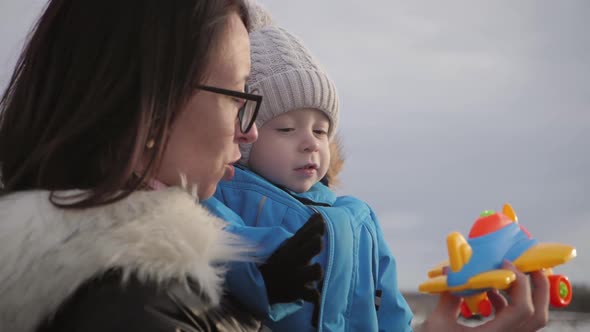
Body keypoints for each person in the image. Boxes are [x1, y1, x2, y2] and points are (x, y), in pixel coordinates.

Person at [203, 4, 550, 331]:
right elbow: (225, 249)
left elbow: (390, 311)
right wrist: (268, 272)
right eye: (286, 129)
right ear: (245, 137)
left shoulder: (359, 219)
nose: (309, 142)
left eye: (321, 131)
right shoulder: (226, 197)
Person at [0, 1, 324, 331]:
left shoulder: (118, 287)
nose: (249, 131)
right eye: (236, 98)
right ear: (154, 105)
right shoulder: (131, 309)